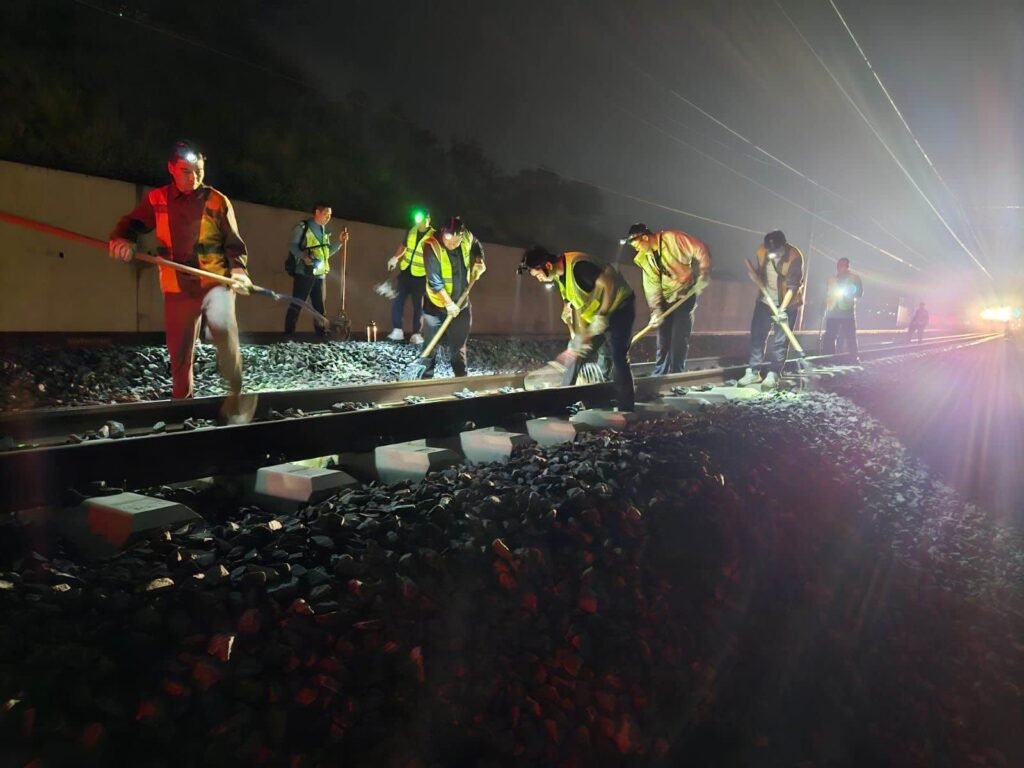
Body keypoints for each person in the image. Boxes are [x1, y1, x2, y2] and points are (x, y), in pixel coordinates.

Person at [108, 140, 256, 422]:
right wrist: (123, 239)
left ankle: (237, 398)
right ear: (171, 169)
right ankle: (182, 407)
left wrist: (238, 270)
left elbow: (233, 243)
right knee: (178, 348)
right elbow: (132, 223)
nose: (193, 177)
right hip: (177, 284)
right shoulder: (157, 199)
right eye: (186, 171)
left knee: (223, 330)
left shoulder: (216, 200)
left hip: (215, 282)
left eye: (198, 170)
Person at [519, 246, 636, 411]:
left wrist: (602, 316)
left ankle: (626, 408)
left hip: (619, 308)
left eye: (538, 275)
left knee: (618, 356)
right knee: (577, 355)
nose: (539, 279)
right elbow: (579, 306)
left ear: (548, 266)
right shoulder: (561, 278)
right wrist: (581, 336)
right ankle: (563, 402)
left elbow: (609, 284)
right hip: (596, 316)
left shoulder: (579, 267)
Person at [622, 222, 712, 374]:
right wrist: (656, 310)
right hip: (666, 298)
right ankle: (660, 373)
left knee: (679, 337)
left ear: (644, 238)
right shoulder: (646, 258)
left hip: (685, 293)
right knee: (663, 339)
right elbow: (651, 285)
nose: (636, 249)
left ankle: (676, 374)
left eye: (636, 244)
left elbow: (700, 249)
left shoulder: (673, 239)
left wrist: (704, 273)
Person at [415, 216, 486, 377]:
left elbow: (476, 244)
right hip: (435, 306)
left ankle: (460, 379)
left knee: (458, 346)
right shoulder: (431, 246)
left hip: (461, 305)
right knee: (430, 344)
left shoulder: (466, 237)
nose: (452, 243)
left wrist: (479, 260)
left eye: (456, 240)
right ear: (442, 232)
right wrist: (448, 304)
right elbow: (435, 281)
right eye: (449, 239)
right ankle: (424, 379)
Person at [738, 230, 805, 389]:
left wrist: (782, 309)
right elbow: (759, 273)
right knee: (757, 336)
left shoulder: (794, 256)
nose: (773, 254)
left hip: (787, 303)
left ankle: (774, 373)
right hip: (765, 301)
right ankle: (753, 372)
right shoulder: (762, 251)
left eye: (777, 251)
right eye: (771, 251)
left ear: (784, 245)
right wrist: (754, 276)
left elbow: (793, 287)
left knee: (780, 341)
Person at [284, 203, 348, 337]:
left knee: (319, 306)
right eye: (326, 214)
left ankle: (321, 333)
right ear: (317, 212)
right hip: (304, 272)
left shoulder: (324, 231)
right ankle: (289, 333)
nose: (328, 217)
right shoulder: (302, 227)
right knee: (298, 302)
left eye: (330, 215)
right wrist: (304, 257)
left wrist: (340, 242)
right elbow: (292, 246)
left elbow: (327, 252)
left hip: (320, 274)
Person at [387, 210, 433, 344]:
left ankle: (416, 334)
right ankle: (397, 330)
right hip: (406, 271)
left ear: (428, 219)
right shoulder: (412, 230)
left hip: (421, 274)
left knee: (418, 305)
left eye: (421, 219)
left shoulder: (434, 236)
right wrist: (395, 258)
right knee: (398, 300)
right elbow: (404, 245)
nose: (418, 222)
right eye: (417, 219)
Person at [821, 257, 863, 360]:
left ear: (847, 266)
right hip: (832, 311)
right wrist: (823, 305)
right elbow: (827, 293)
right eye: (838, 265)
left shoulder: (854, 278)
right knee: (829, 336)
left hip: (846, 311)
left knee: (850, 336)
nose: (840, 267)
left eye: (842, 265)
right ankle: (828, 358)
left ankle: (854, 357)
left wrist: (849, 294)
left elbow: (859, 293)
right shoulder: (831, 278)